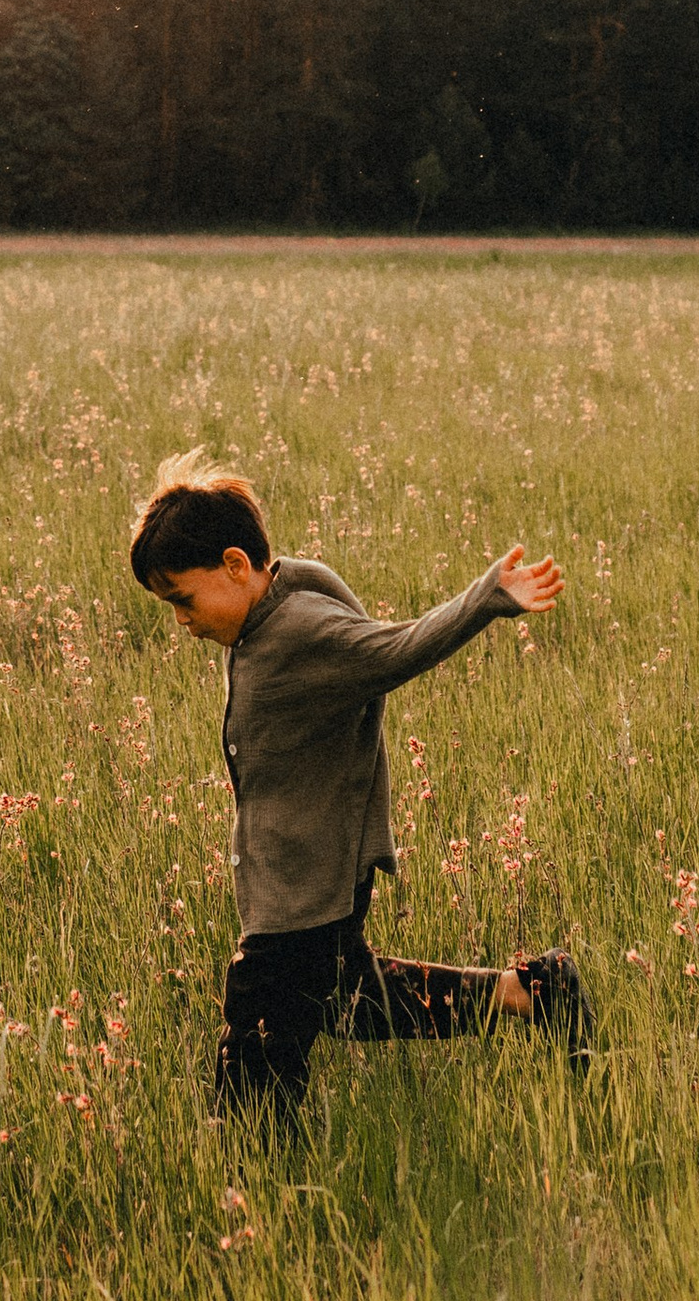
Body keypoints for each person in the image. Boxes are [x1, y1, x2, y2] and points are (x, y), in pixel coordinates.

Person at [129, 450, 590, 1125]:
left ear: (235, 565)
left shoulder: (299, 630)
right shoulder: (269, 608)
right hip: (309, 874)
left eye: (183, 599)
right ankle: (532, 992)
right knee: (351, 999)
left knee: (255, 1044)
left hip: (302, 890)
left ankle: (253, 1168)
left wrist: (485, 598)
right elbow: (308, 582)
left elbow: (396, 650)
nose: (181, 620)